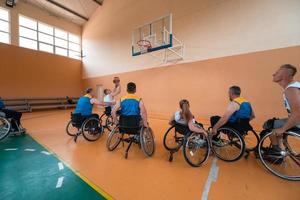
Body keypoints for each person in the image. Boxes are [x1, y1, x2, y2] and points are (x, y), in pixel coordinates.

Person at [263, 64, 300, 156]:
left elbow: (298, 113)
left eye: (277, 72)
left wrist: (283, 129)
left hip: (298, 121)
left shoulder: (291, 89)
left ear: (286, 75)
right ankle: (278, 149)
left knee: (269, 125)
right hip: (296, 119)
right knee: (275, 123)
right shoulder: (293, 87)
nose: (273, 74)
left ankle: (277, 152)